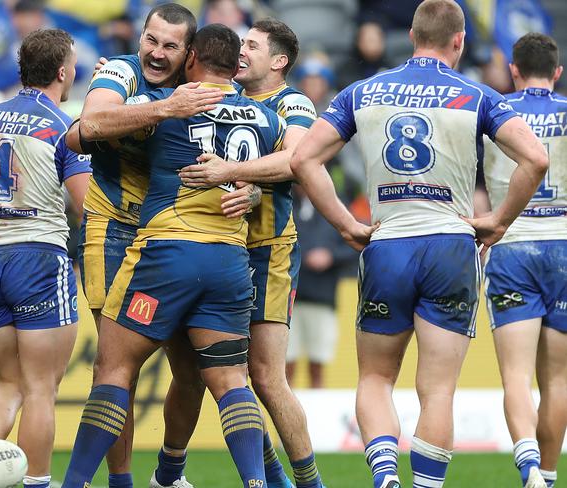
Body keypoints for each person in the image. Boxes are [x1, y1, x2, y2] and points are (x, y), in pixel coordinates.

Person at [289, 1, 549, 487]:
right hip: (451, 244)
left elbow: (303, 160)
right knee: (437, 391)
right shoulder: (476, 94)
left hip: (389, 241)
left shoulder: (362, 91)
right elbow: (534, 158)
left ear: (410, 35)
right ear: (460, 42)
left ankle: (385, 476)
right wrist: (497, 221)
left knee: (375, 379)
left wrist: (346, 224)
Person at [61, 23, 286, 488]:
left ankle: (75, 483)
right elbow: (290, 169)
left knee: (115, 369)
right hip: (228, 261)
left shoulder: (169, 109)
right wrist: (253, 190)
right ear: (235, 67)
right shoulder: (269, 120)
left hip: (167, 254)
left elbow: (79, 137)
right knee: (230, 380)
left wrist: (150, 111)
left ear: (192, 58)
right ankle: (255, 483)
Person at [66, 5, 227, 487]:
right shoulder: (121, 70)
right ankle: (121, 482)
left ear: (189, 53)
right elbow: (87, 127)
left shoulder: (209, 91)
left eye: (170, 46)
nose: (156, 53)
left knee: (193, 369)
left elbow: (245, 151)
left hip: (174, 238)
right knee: (118, 367)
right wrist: (164, 108)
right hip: (113, 227)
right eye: (151, 40)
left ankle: (169, 473)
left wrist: (249, 186)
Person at [178, 18, 325, 488]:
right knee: (227, 375)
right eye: (241, 43)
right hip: (217, 249)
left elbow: (296, 159)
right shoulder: (219, 95)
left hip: (267, 249)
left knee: (264, 375)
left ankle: (309, 482)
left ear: (279, 62)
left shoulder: (292, 102)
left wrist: (235, 173)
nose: (241, 52)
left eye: (254, 46)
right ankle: (276, 480)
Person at [0, 29, 91, 488]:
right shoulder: (62, 125)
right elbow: (85, 205)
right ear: (62, 71)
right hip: (39, 258)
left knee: (8, 385)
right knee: (42, 389)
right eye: (73, 64)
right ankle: (37, 483)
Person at [483, 32, 567, 488]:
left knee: (516, 375)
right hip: (565, 246)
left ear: (513, 69)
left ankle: (529, 467)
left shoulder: (497, 108)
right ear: (557, 72)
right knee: (558, 379)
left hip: (513, 245)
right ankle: (548, 478)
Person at [285, 184, 358, 389]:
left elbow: (354, 244)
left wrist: (330, 256)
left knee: (318, 364)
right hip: (290, 300)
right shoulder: (286, 204)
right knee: (286, 365)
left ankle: (317, 416)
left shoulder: (336, 207)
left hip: (323, 297)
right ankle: (285, 418)